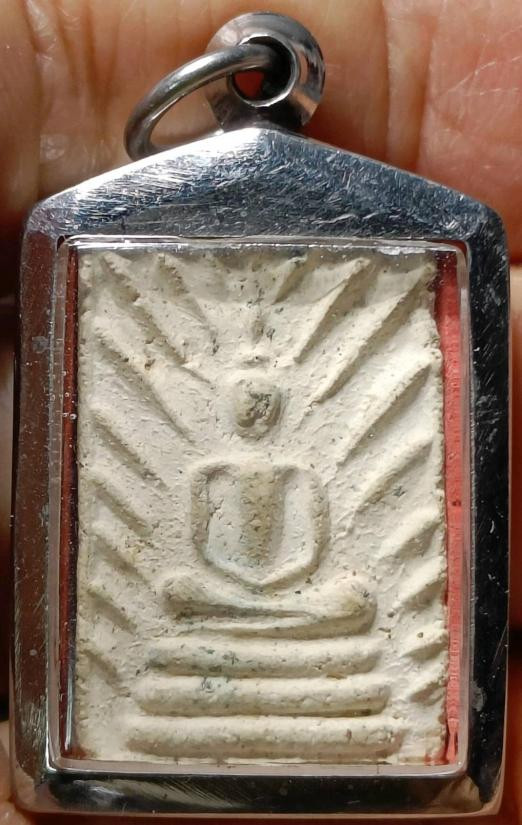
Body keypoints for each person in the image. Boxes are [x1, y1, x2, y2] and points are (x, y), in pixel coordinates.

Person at [1, 1, 521, 822]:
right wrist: (237, 591)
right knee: (179, 590)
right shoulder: (211, 468)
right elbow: (204, 559)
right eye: (243, 400)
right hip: (216, 600)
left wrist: (278, 592)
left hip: (288, 601)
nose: (252, 413)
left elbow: (308, 552)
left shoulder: (293, 470)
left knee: (346, 604)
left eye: (263, 401)